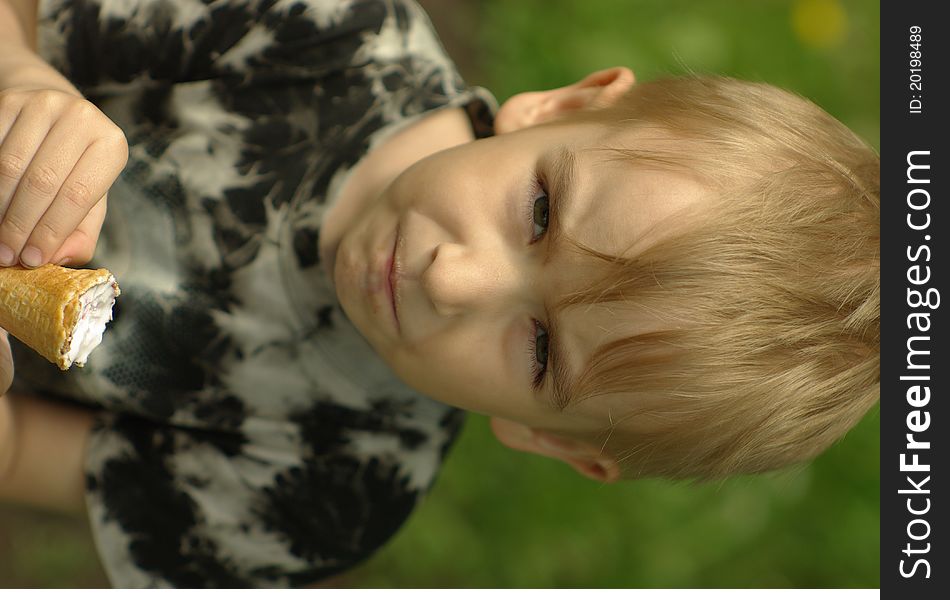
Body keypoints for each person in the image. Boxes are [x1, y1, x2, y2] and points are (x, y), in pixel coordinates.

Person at [0, 0, 880, 588]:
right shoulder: (324, 33)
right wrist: (20, 77)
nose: (452, 279)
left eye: (540, 350)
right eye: (540, 212)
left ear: (548, 437)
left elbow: (19, 457)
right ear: (564, 109)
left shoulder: (331, 494)